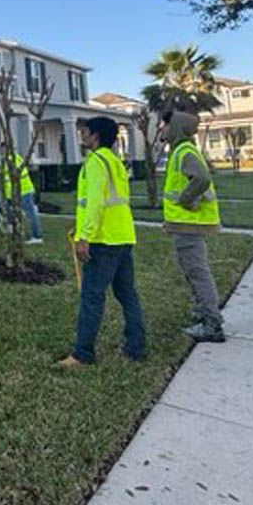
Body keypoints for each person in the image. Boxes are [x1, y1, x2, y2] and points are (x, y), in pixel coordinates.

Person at [59, 116, 147, 368]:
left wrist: (84, 236)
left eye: (85, 132)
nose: (82, 136)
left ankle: (82, 354)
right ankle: (136, 347)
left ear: (95, 135)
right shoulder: (116, 162)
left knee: (91, 297)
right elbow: (111, 200)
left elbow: (96, 200)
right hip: (123, 236)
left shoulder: (95, 162)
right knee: (127, 294)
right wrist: (83, 223)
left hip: (103, 239)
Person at [161, 111, 225, 343]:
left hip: (190, 224)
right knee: (194, 272)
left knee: (197, 273)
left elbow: (201, 179)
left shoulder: (184, 152)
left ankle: (211, 323)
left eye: (165, 126)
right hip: (185, 223)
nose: (162, 130)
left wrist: (185, 200)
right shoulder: (181, 151)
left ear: (175, 127)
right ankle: (204, 314)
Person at [0, 151, 43, 244]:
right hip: (12, 194)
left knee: (30, 214)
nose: (2, 154)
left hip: (24, 191)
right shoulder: (6, 162)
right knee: (10, 213)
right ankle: (14, 232)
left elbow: (11, 174)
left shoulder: (15, 160)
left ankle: (37, 236)